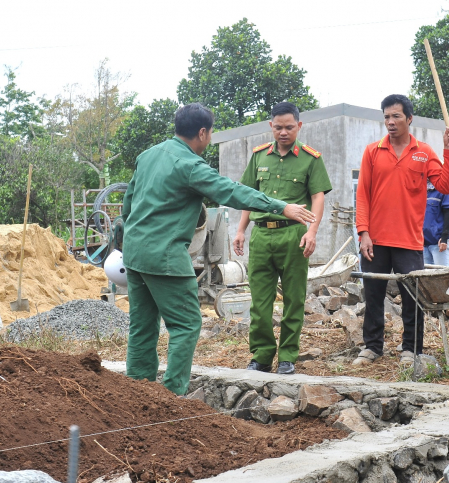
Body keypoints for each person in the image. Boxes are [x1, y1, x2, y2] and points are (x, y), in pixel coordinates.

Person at [121, 103, 315, 395]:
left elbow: (127, 205)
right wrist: (281, 206)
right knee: (186, 324)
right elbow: (232, 191)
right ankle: (172, 397)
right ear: (202, 132)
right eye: (210, 133)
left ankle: (137, 393)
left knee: (142, 326)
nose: (210, 138)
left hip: (134, 255)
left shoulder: (148, 156)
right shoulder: (190, 166)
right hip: (165, 258)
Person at [353, 94, 449, 366]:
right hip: (375, 239)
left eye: (396, 116)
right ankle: (372, 347)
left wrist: (448, 150)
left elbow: (446, 186)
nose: (390, 122)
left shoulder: (424, 152)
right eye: (387, 117)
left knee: (412, 299)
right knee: (374, 296)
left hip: (410, 240)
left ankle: (410, 349)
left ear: (409, 119)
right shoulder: (372, 152)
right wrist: (363, 232)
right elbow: (362, 194)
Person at [233, 102, 332, 375]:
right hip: (262, 236)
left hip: (294, 235)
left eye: (289, 127)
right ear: (271, 127)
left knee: (294, 298)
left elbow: (317, 197)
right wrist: (241, 230)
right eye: (278, 127)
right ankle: (262, 355)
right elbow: (248, 196)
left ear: (299, 126)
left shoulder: (311, 158)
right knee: (260, 302)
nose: (283, 132)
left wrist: (312, 231)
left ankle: (288, 356)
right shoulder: (259, 156)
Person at [423, 181, 449, 267]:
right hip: (423, 243)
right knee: (425, 277)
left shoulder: (445, 190)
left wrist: (444, 237)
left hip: (439, 244)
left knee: (442, 276)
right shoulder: (422, 190)